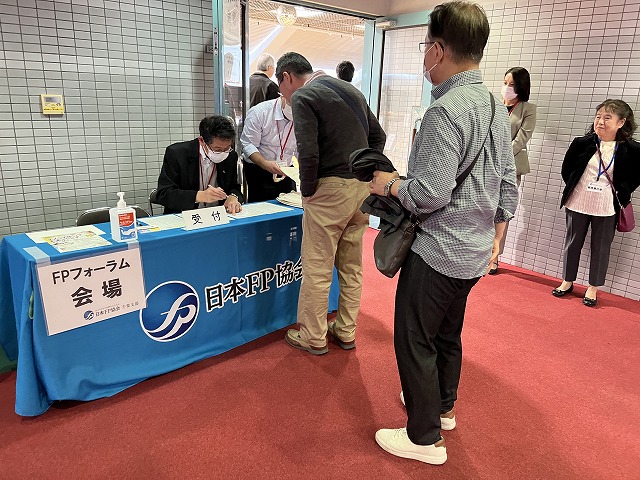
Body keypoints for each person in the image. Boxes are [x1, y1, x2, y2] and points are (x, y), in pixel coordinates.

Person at [369, 1, 518, 465]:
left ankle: (424, 438)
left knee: (415, 338)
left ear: (436, 49)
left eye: (424, 46)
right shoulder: (494, 105)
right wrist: (496, 238)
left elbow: (429, 193)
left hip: (436, 251)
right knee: (448, 333)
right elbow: (508, 185)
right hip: (473, 251)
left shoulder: (445, 110)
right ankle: (443, 408)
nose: (424, 56)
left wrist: (389, 184)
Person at [276, 52, 386, 355]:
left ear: (287, 77)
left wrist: (308, 191)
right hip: (360, 191)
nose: (283, 96)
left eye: (281, 89)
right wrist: (365, 170)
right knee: (351, 266)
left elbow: (308, 152)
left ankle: (313, 336)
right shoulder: (351, 90)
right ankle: (346, 330)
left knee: (318, 266)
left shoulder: (304, 96)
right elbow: (379, 136)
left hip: (328, 191)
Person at [552, 99, 640, 307]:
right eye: (598, 117)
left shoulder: (633, 149)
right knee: (572, 242)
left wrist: (620, 192)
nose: (600, 122)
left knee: (601, 248)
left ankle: (593, 287)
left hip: (606, 206)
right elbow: (567, 171)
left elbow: (635, 177)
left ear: (621, 122)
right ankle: (567, 281)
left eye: (607, 118)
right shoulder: (581, 143)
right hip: (578, 201)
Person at [487, 66, 537, 274]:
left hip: (510, 166)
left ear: (521, 87)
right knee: (485, 207)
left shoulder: (528, 109)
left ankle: (495, 256)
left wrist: (502, 156)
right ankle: (480, 250)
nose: (507, 87)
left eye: (512, 84)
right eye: (505, 83)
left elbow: (522, 139)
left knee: (502, 210)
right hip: (487, 164)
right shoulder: (493, 104)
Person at [156, 115, 244, 214]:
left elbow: (235, 187)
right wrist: (199, 196)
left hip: (217, 215)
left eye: (227, 148)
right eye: (217, 149)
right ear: (202, 141)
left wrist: (233, 197)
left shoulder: (230, 156)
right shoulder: (177, 154)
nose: (223, 153)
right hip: (185, 216)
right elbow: (164, 194)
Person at [240, 96, 297, 202]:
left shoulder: (305, 115)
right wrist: (265, 163)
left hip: (286, 169)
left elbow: (303, 147)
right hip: (259, 168)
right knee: (261, 207)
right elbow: (248, 144)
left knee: (290, 203)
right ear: (283, 96)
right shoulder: (260, 112)